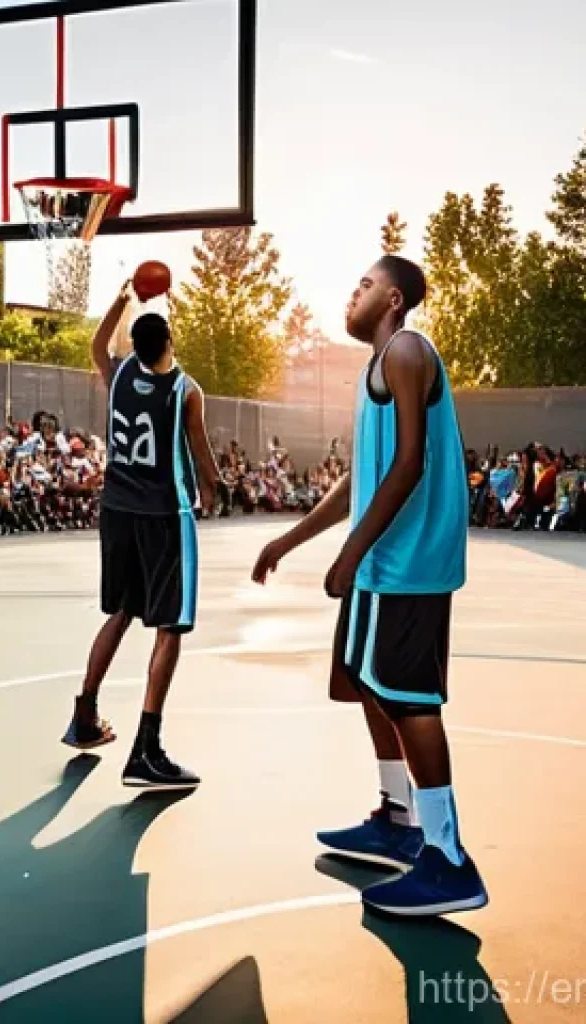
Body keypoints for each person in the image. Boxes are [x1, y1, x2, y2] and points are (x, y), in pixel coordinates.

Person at [252, 255, 488, 917]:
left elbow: (410, 463)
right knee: (363, 680)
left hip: (407, 564)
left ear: (391, 298)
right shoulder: (373, 371)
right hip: (383, 562)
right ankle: (399, 817)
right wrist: (290, 540)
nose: (350, 294)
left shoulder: (408, 350)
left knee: (411, 701)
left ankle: (448, 860)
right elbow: (361, 479)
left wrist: (351, 554)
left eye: (361, 285)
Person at [61, 282, 219, 789]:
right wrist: (215, 488)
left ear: (135, 347)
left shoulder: (120, 373)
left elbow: (96, 344)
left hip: (117, 510)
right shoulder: (185, 390)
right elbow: (199, 450)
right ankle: (146, 749)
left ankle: (85, 714)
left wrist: (121, 298)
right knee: (170, 626)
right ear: (170, 343)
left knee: (121, 612)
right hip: (163, 515)